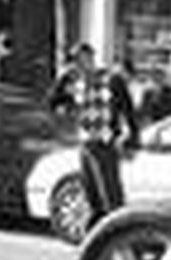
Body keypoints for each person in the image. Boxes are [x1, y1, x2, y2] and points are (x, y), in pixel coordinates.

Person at [47, 42, 140, 229]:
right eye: (75, 61)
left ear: (91, 58)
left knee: (110, 192)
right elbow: (52, 101)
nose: (79, 64)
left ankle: (118, 229)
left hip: (105, 143)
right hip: (86, 144)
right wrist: (62, 78)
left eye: (82, 59)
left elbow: (128, 111)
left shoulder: (112, 80)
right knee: (91, 192)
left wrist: (132, 138)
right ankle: (97, 229)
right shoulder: (75, 83)